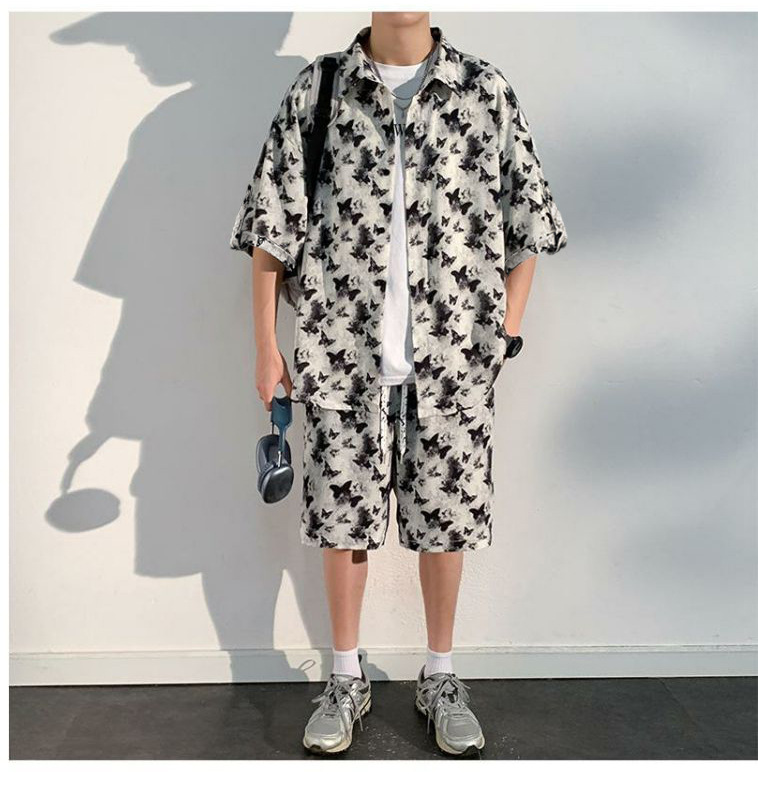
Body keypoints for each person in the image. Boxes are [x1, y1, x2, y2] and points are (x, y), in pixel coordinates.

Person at [230, 12, 567, 757]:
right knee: (342, 523)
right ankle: (344, 676)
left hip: (452, 362)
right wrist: (265, 345)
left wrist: (504, 332)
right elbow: (270, 228)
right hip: (340, 355)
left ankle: (440, 674)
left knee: (446, 523)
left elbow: (529, 225)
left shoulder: (483, 91)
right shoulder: (319, 91)